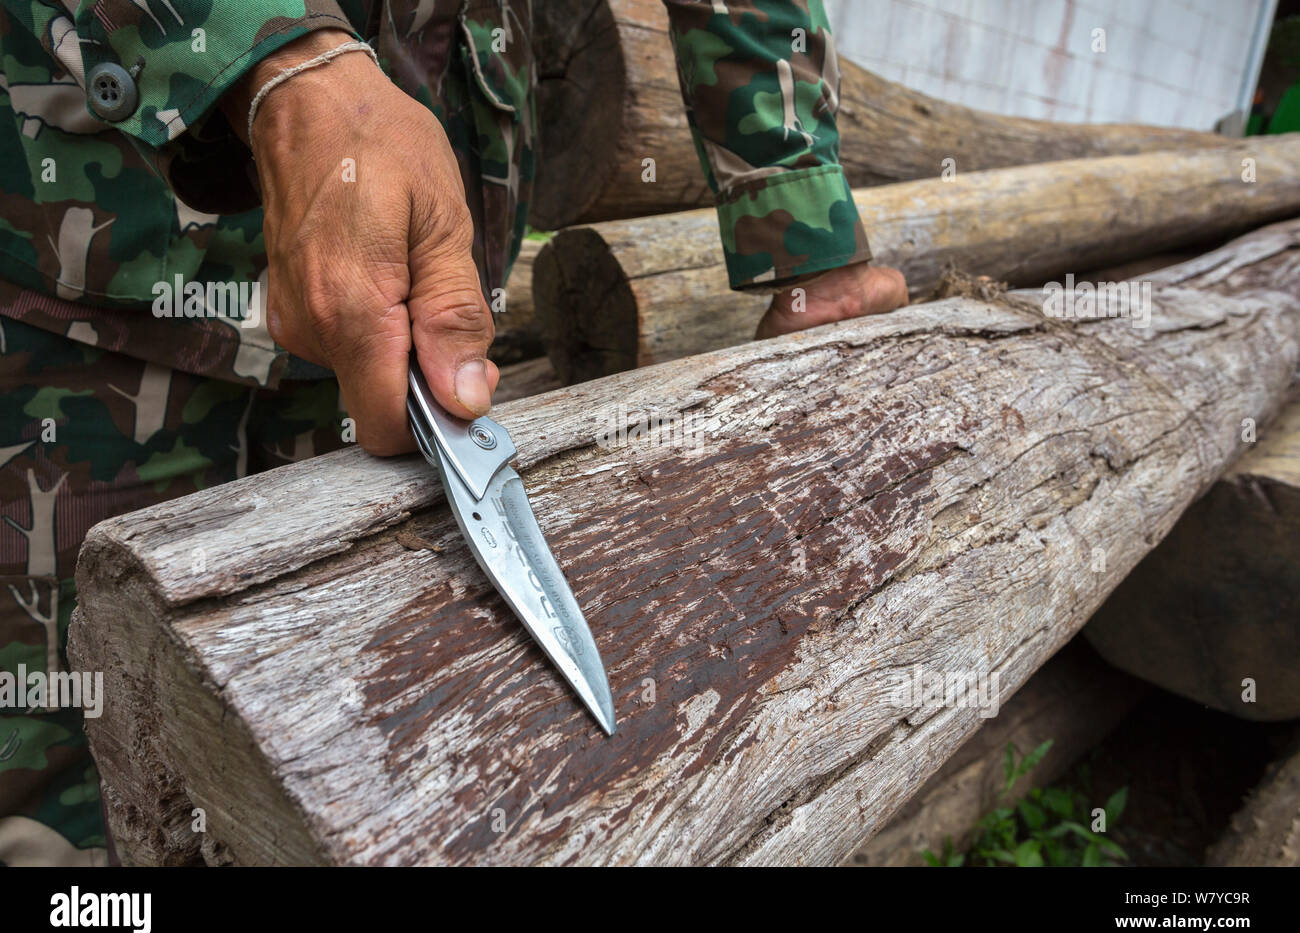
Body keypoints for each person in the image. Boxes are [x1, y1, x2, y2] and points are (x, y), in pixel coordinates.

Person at [0, 0, 907, 864]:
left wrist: (800, 217)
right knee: (78, 784)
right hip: (102, 285)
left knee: (370, 771)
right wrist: (279, 62)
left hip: (426, 269)